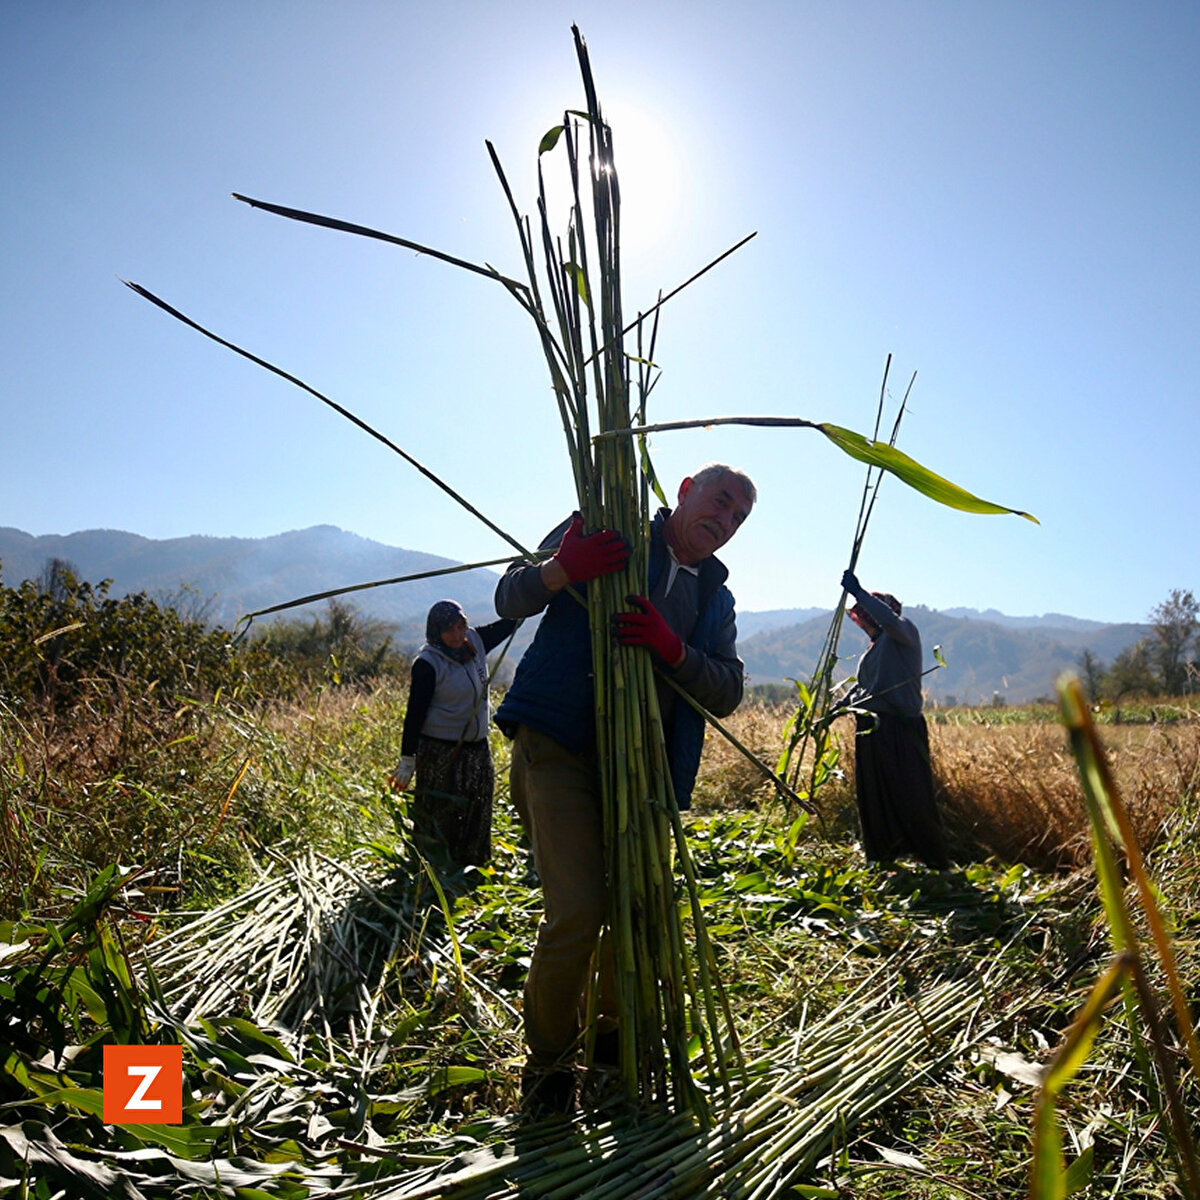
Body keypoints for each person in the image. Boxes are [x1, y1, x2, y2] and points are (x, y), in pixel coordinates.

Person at [493, 463, 756, 1113]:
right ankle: (550, 1064)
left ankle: (609, 1041)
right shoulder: (606, 522)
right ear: (686, 487)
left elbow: (726, 688)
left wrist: (673, 650)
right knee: (579, 911)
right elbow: (508, 597)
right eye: (719, 503)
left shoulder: (715, 598)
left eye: (738, 519)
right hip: (558, 747)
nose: (724, 523)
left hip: (643, 772)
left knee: (633, 911)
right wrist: (564, 569)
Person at [390, 599, 516, 867]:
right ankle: (432, 868)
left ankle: (473, 865)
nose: (457, 635)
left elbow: (509, 624)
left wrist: (539, 591)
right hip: (441, 752)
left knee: (477, 806)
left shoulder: (475, 642)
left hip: (477, 749)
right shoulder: (427, 664)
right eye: (449, 630)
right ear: (436, 632)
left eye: (461, 626)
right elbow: (415, 715)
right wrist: (407, 760)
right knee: (442, 811)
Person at [839, 570, 949, 870]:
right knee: (874, 795)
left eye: (865, 612)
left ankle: (933, 859)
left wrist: (858, 592)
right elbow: (864, 687)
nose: (862, 620)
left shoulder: (903, 633)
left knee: (911, 793)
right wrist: (840, 706)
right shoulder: (871, 651)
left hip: (901, 727)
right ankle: (882, 857)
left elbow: (887, 620)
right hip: (872, 729)